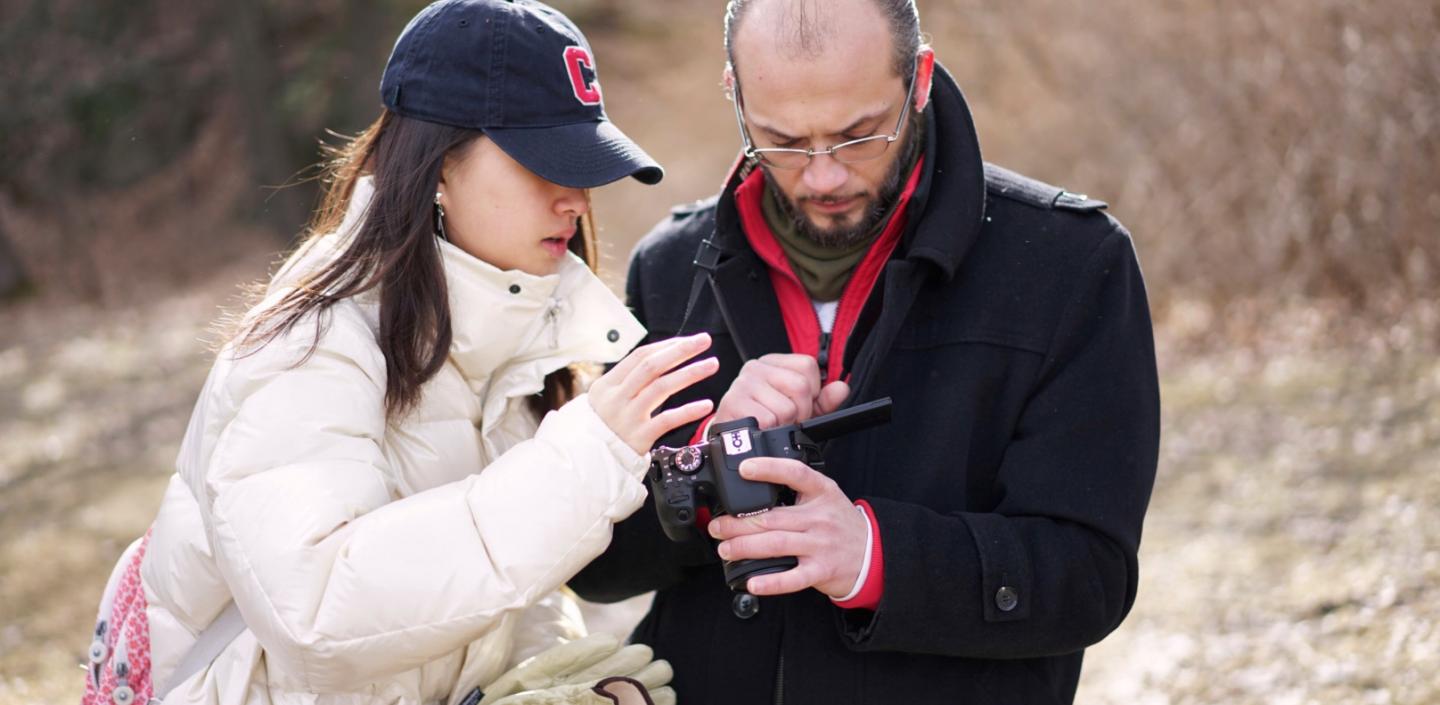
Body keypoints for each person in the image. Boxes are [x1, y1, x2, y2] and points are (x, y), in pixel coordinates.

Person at [79, 2, 713, 704]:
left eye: (587, 165)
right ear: (439, 165)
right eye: (547, 163)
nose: (576, 199)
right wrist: (583, 460)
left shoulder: (518, 328)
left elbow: (504, 588)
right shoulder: (312, 339)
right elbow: (317, 613)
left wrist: (565, 675)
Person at [569, 0, 1162, 703]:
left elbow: (1088, 578)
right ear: (734, 92)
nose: (822, 177)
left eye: (858, 137)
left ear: (918, 78)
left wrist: (876, 558)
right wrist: (702, 462)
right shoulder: (668, 270)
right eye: (782, 139)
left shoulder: (1072, 264)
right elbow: (598, 565)